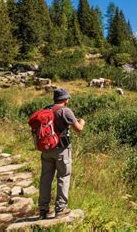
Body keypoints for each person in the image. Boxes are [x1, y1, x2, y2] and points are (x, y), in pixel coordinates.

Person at [38, 88, 85, 219]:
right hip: (61, 149)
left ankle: (43, 210)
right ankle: (60, 209)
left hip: (46, 149)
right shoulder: (65, 111)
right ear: (65, 99)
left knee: (45, 178)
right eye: (68, 98)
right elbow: (78, 129)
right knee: (63, 176)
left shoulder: (46, 109)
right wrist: (82, 122)